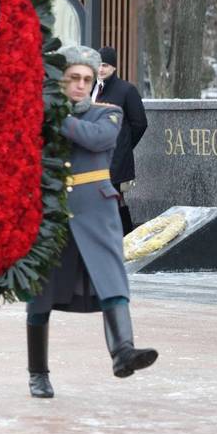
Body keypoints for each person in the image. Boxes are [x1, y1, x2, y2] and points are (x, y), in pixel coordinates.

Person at [26, 46, 158, 399]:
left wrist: (53, 116)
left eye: (87, 79)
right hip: (52, 212)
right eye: (74, 78)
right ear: (63, 80)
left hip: (97, 211)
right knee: (39, 295)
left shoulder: (108, 113)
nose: (82, 85)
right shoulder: (40, 116)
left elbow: (97, 139)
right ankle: (38, 374)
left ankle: (123, 351)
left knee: (111, 279)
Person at [94, 47, 148, 234]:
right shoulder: (92, 88)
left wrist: (123, 146)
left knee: (115, 198)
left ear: (114, 67)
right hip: (94, 157)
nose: (101, 69)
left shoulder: (126, 90)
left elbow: (140, 123)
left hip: (116, 158)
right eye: (98, 64)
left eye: (105, 65)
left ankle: (125, 237)